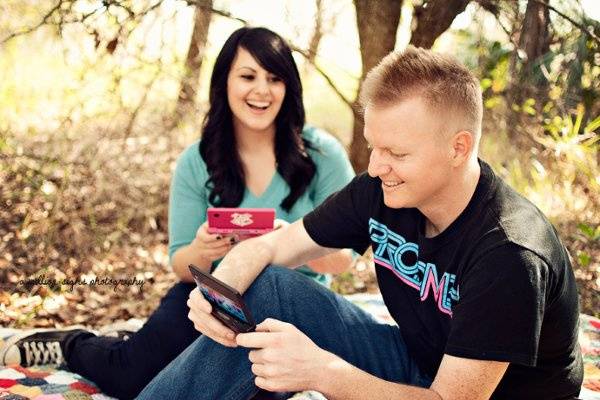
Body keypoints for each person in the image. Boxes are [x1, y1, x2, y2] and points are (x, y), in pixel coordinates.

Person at [136, 46, 583, 400]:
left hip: (477, 395)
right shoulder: (382, 188)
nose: (376, 166)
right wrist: (218, 292)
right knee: (268, 286)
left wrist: (321, 372)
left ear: (459, 147)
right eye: (373, 146)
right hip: (419, 359)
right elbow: (271, 246)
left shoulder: (509, 254)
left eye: (398, 153)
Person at [0, 27, 354, 399]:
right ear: (224, 83)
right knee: (129, 377)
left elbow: (344, 260)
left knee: (249, 390)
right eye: (248, 76)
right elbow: (181, 263)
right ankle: (75, 345)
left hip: (292, 307)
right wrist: (204, 250)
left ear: (289, 87)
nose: (261, 91)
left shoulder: (321, 154)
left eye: (274, 78)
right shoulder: (196, 161)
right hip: (212, 299)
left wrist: (292, 242)